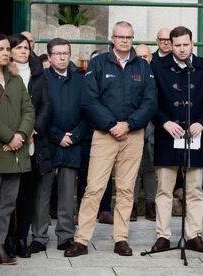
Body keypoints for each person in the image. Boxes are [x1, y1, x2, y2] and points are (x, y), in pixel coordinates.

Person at [64, 21, 157, 257]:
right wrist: (112, 124)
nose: (125, 41)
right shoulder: (98, 63)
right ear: (112, 38)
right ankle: (82, 240)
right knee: (94, 188)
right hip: (105, 136)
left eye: (129, 37)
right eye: (121, 37)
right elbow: (89, 100)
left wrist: (130, 124)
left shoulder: (143, 67)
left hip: (133, 136)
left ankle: (121, 239)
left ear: (132, 39)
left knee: (126, 190)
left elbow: (150, 102)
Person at [150, 26, 203, 253]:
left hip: (194, 136)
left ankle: (193, 235)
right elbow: (151, 101)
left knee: (195, 189)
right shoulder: (157, 67)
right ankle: (163, 236)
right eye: (177, 45)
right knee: (164, 189)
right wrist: (164, 122)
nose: (181, 49)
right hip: (166, 136)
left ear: (192, 43)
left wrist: (202, 122)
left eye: (185, 44)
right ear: (170, 44)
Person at [4, 33, 52, 258]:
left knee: (28, 192)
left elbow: (45, 106)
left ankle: (22, 237)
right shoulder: (3, 73)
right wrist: (17, 133)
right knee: (8, 194)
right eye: (19, 48)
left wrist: (33, 129)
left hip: (33, 141)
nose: (24, 51)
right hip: (9, 141)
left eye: (27, 48)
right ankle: (6, 239)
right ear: (10, 51)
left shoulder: (39, 74)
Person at [0, 32, 35, 266]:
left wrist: (20, 135)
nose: (6, 53)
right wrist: (9, 136)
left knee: (8, 202)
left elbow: (29, 110)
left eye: (7, 49)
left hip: (16, 152)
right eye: (0, 49)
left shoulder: (15, 77)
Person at [43, 38, 88, 252]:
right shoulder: (41, 80)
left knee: (67, 193)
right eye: (57, 53)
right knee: (42, 193)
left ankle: (65, 235)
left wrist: (75, 135)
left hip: (72, 143)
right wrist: (56, 135)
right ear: (49, 56)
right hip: (48, 142)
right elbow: (37, 112)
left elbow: (87, 112)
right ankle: (39, 235)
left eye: (66, 53)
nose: (62, 57)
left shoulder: (81, 80)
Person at [75, 49, 114, 225]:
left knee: (105, 175)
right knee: (85, 175)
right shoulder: (83, 81)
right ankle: (81, 211)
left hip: (106, 131)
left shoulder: (109, 83)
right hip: (85, 135)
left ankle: (105, 209)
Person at [131, 43, 156, 221]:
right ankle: (131, 206)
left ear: (150, 57)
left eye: (145, 57)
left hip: (154, 126)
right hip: (133, 125)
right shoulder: (130, 73)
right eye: (138, 57)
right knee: (132, 169)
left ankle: (150, 205)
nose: (142, 60)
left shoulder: (156, 74)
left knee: (150, 168)